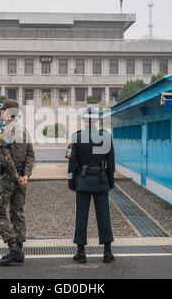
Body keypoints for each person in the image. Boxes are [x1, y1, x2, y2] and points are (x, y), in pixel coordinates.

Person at [66, 107, 115, 264]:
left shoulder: (76, 137)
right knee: (104, 216)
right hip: (101, 182)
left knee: (81, 216)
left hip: (83, 182)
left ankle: (81, 253)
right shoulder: (106, 137)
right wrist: (110, 182)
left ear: (84, 121)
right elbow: (111, 164)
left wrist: (72, 183)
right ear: (97, 121)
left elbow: (72, 163)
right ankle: (107, 252)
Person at [0, 99, 35, 266]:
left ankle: (13, 247)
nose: (0, 113)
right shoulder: (25, 131)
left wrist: (16, 176)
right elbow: (31, 155)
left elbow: (6, 158)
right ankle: (19, 250)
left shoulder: (2, 131)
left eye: (2, 110)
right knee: (17, 211)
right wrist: (25, 175)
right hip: (21, 179)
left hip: (7, 179)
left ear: (8, 112)